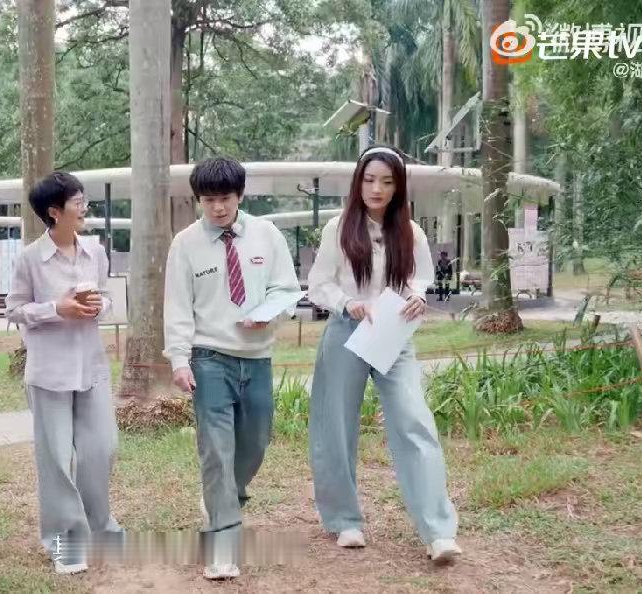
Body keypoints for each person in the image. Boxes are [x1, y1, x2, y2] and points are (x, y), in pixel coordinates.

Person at [306, 146, 462, 565]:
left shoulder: (411, 232)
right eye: (370, 179)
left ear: (399, 187)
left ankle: (438, 531)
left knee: (415, 421)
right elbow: (318, 284)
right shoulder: (339, 228)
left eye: (387, 181)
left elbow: (419, 277)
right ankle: (344, 520)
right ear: (358, 182)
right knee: (335, 426)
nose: (377, 188)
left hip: (393, 334)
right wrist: (347, 303)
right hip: (347, 331)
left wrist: (416, 296)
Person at [163, 156, 302, 580]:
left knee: (255, 444)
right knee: (216, 452)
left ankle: (224, 497)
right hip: (209, 359)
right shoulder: (185, 244)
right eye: (208, 200)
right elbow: (178, 306)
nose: (218, 207)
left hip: (257, 357)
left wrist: (267, 314)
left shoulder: (266, 235)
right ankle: (222, 543)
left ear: (240, 195)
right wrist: (179, 360)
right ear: (199, 200)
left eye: (225, 198)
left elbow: (286, 289)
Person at [4, 171, 120, 575]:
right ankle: (65, 543)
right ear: (54, 212)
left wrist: (98, 307)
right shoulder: (30, 259)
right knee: (56, 461)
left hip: (92, 368)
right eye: (77, 202)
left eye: (84, 199)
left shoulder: (95, 251)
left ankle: (101, 528)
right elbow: (14, 310)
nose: (84, 207)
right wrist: (57, 308)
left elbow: (107, 298)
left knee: (101, 449)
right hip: (49, 374)